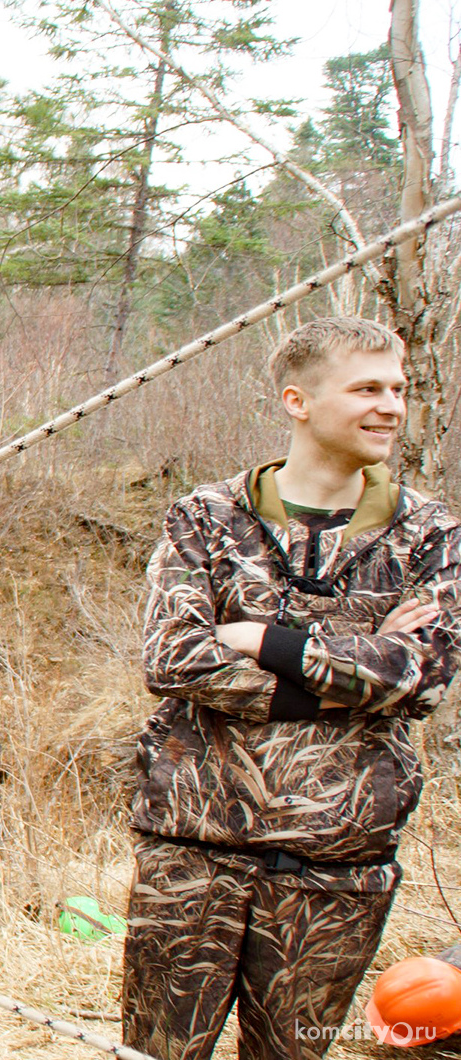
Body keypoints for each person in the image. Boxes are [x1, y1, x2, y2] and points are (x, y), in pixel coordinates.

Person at [125, 316, 461, 1060]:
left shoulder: (430, 533)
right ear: (298, 402)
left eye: (398, 389)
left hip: (337, 867)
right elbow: (175, 658)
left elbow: (425, 676)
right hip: (193, 854)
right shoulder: (208, 519)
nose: (391, 406)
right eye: (367, 388)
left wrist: (265, 641)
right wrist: (357, 670)